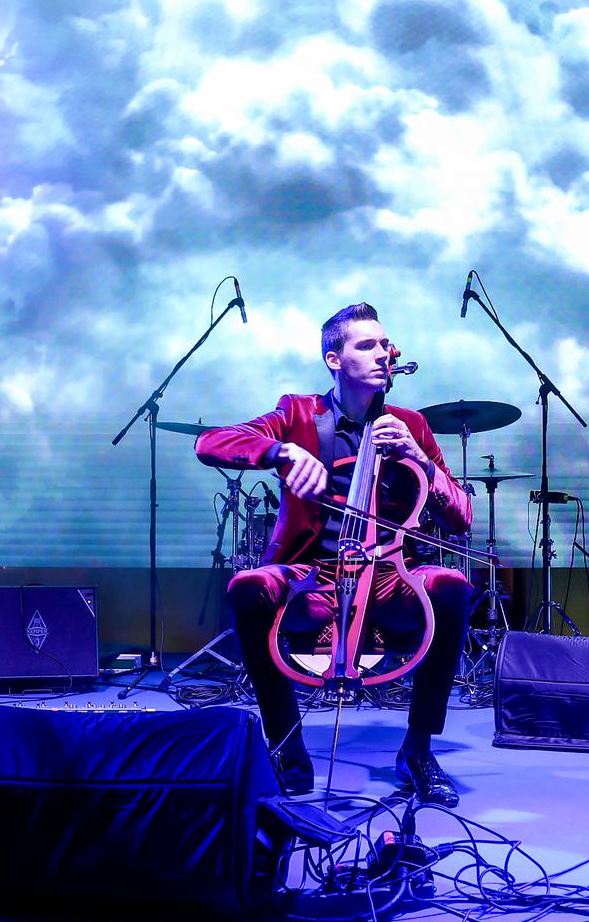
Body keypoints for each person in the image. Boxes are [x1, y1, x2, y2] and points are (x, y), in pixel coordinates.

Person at [195, 302, 474, 805]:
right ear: (334, 359)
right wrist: (279, 451)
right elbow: (212, 443)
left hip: (390, 575)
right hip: (313, 575)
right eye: (365, 345)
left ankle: (417, 748)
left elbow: (461, 518)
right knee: (247, 588)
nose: (382, 354)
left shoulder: (410, 423)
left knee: (452, 588)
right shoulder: (299, 413)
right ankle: (285, 745)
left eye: (384, 344)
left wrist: (419, 459)